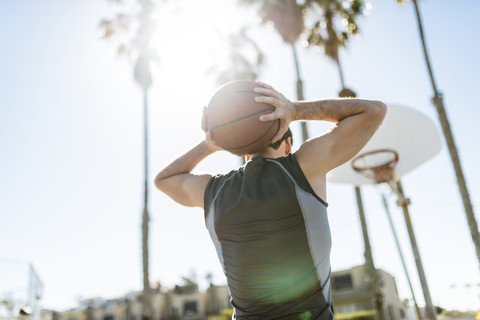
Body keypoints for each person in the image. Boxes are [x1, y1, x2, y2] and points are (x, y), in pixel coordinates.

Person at [154, 82, 386, 319]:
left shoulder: (213, 191)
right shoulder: (304, 169)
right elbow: (374, 111)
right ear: (287, 144)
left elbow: (165, 180)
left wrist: (210, 143)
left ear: (244, 153)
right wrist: (295, 110)